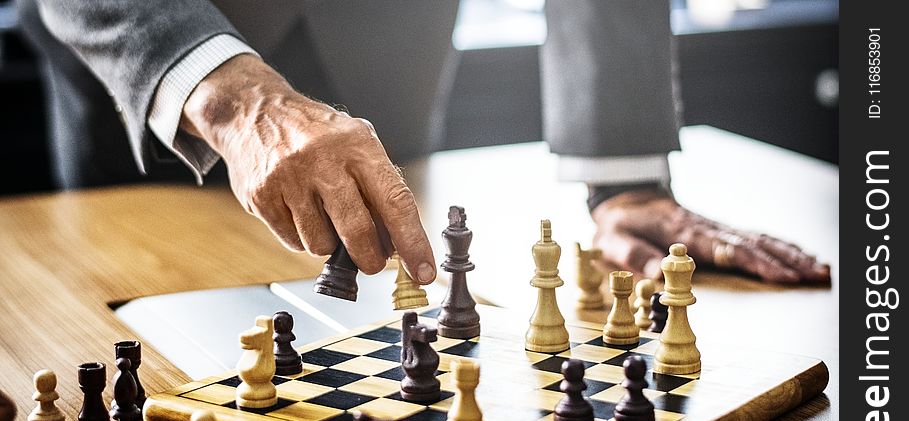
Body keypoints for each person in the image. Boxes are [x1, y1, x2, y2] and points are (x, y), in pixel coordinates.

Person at [18, 0, 830, 286]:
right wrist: (233, 98)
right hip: (155, 57)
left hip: (381, 41)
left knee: (385, 276)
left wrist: (621, 176)